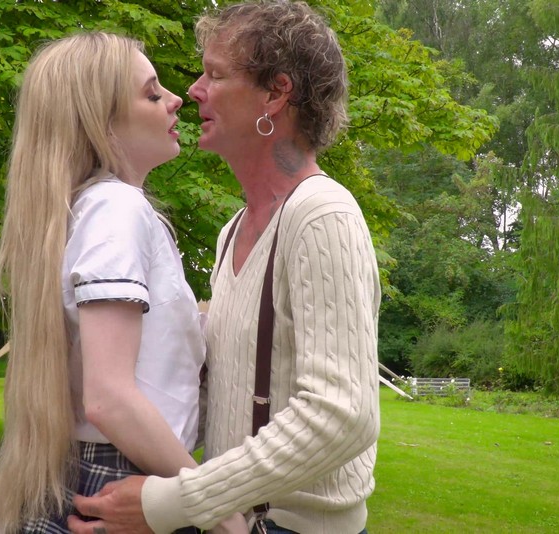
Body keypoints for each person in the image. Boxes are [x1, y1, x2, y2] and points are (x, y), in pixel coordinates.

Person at [69, 2, 382, 533]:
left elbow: (342, 416)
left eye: (214, 75)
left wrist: (176, 502)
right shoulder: (233, 231)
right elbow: (227, 394)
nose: (193, 91)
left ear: (275, 94)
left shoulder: (321, 214)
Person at [0, 32, 244, 534]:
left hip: (95, 469)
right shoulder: (116, 208)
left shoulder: (87, 210)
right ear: (99, 124)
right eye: (151, 93)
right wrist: (217, 510)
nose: (176, 99)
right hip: (126, 475)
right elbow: (109, 398)